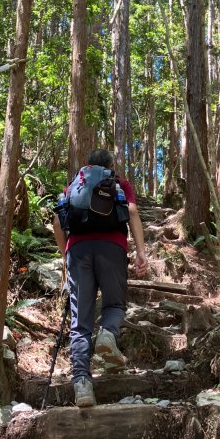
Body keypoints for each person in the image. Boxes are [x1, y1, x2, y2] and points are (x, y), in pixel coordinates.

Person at [52, 148, 148, 407]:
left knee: (80, 322)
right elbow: (134, 212)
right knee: (115, 304)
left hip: (78, 251)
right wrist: (141, 252)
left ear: (87, 166)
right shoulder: (119, 183)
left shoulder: (75, 185)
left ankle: (82, 384)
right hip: (112, 248)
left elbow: (57, 221)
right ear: (110, 166)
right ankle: (107, 333)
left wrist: (66, 256)